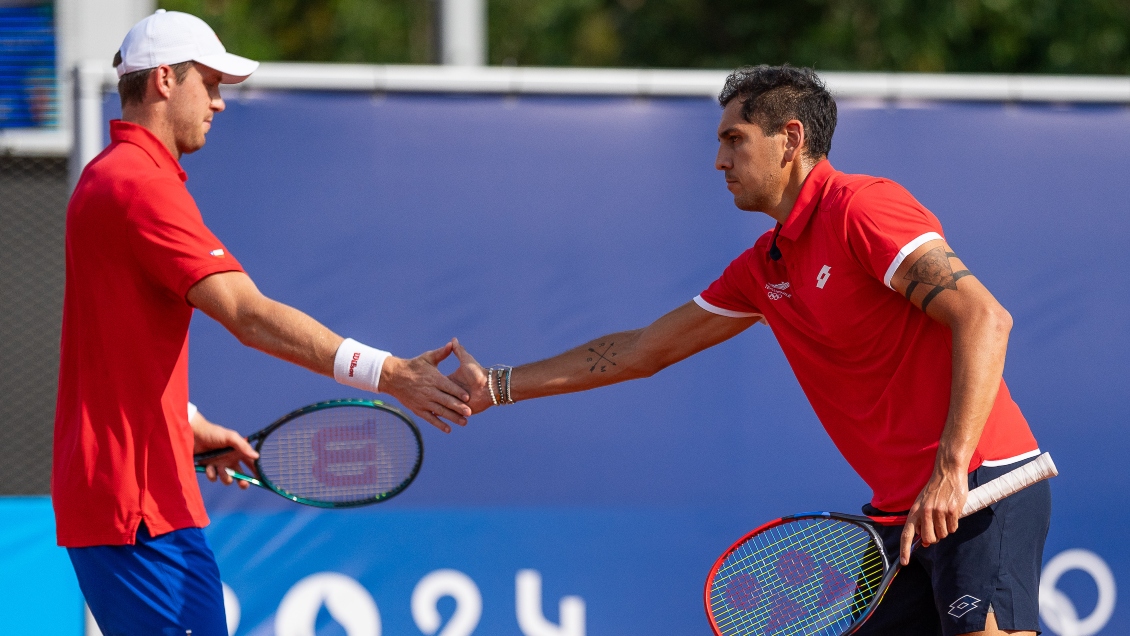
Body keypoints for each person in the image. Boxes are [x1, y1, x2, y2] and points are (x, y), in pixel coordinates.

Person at [448, 65, 1049, 636]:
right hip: (904, 515)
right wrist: (497, 386)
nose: (719, 160)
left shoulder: (862, 207)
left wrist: (950, 469)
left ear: (791, 138)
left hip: (980, 483)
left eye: (735, 139)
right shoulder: (765, 266)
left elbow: (984, 316)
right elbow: (641, 350)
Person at [53, 10, 472, 635]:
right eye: (212, 82)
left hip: (136, 494)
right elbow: (249, 315)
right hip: (138, 508)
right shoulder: (140, 187)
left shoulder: (104, 178)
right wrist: (388, 373)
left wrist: (185, 424)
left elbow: (110, 346)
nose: (219, 102)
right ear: (165, 80)